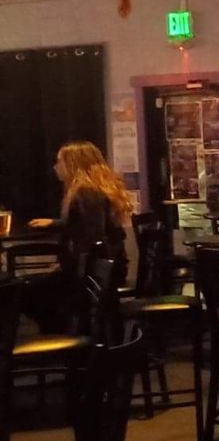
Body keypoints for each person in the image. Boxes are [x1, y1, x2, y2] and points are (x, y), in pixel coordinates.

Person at [24, 141, 134, 331]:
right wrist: (55, 223)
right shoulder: (92, 190)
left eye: (60, 161)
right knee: (36, 289)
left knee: (26, 292)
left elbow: (94, 239)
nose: (56, 167)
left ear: (74, 164)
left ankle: (64, 336)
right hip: (106, 268)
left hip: (94, 274)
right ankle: (64, 332)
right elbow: (88, 226)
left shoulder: (85, 193)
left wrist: (72, 268)